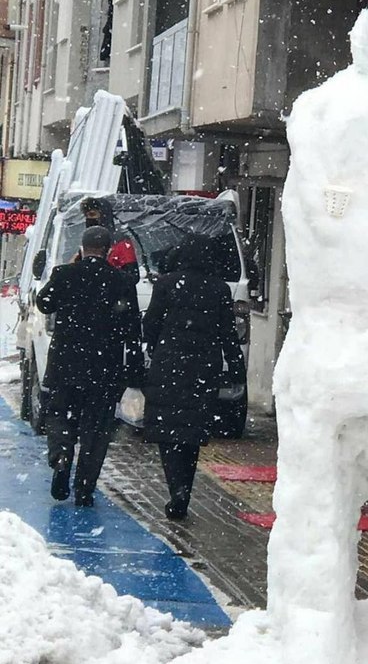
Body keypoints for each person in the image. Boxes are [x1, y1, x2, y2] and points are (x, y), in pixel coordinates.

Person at [37, 226, 143, 506]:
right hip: (104, 370)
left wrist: (68, 271)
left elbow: (43, 303)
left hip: (65, 367)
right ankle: (84, 488)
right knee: (96, 430)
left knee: (60, 415)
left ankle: (61, 456)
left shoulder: (65, 274)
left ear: (82, 248)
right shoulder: (121, 282)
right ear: (109, 251)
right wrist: (133, 374)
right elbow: (133, 332)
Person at [142, 235, 245, 520]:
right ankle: (184, 489)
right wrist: (236, 368)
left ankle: (175, 487)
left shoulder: (166, 284)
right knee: (191, 431)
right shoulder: (219, 289)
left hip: (169, 365)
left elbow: (151, 323)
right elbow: (228, 333)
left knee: (168, 430)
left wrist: (152, 343)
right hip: (203, 368)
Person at [79, 196, 140, 281]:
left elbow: (132, 276)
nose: (89, 219)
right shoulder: (86, 243)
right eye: (87, 216)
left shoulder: (121, 241)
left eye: (92, 214)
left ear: (104, 215)